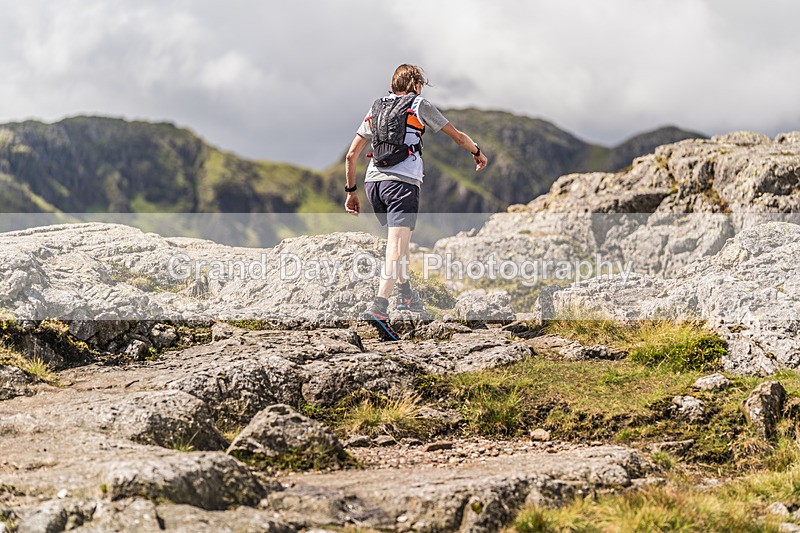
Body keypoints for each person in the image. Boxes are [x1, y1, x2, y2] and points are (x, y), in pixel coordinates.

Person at [344, 64, 488, 341]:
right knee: (395, 246)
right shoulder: (419, 104)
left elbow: (352, 155)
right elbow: (457, 136)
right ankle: (380, 307)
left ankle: (406, 295)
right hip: (402, 183)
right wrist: (477, 152)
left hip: (373, 183)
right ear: (416, 85)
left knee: (401, 240)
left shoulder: (376, 108)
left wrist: (351, 192)